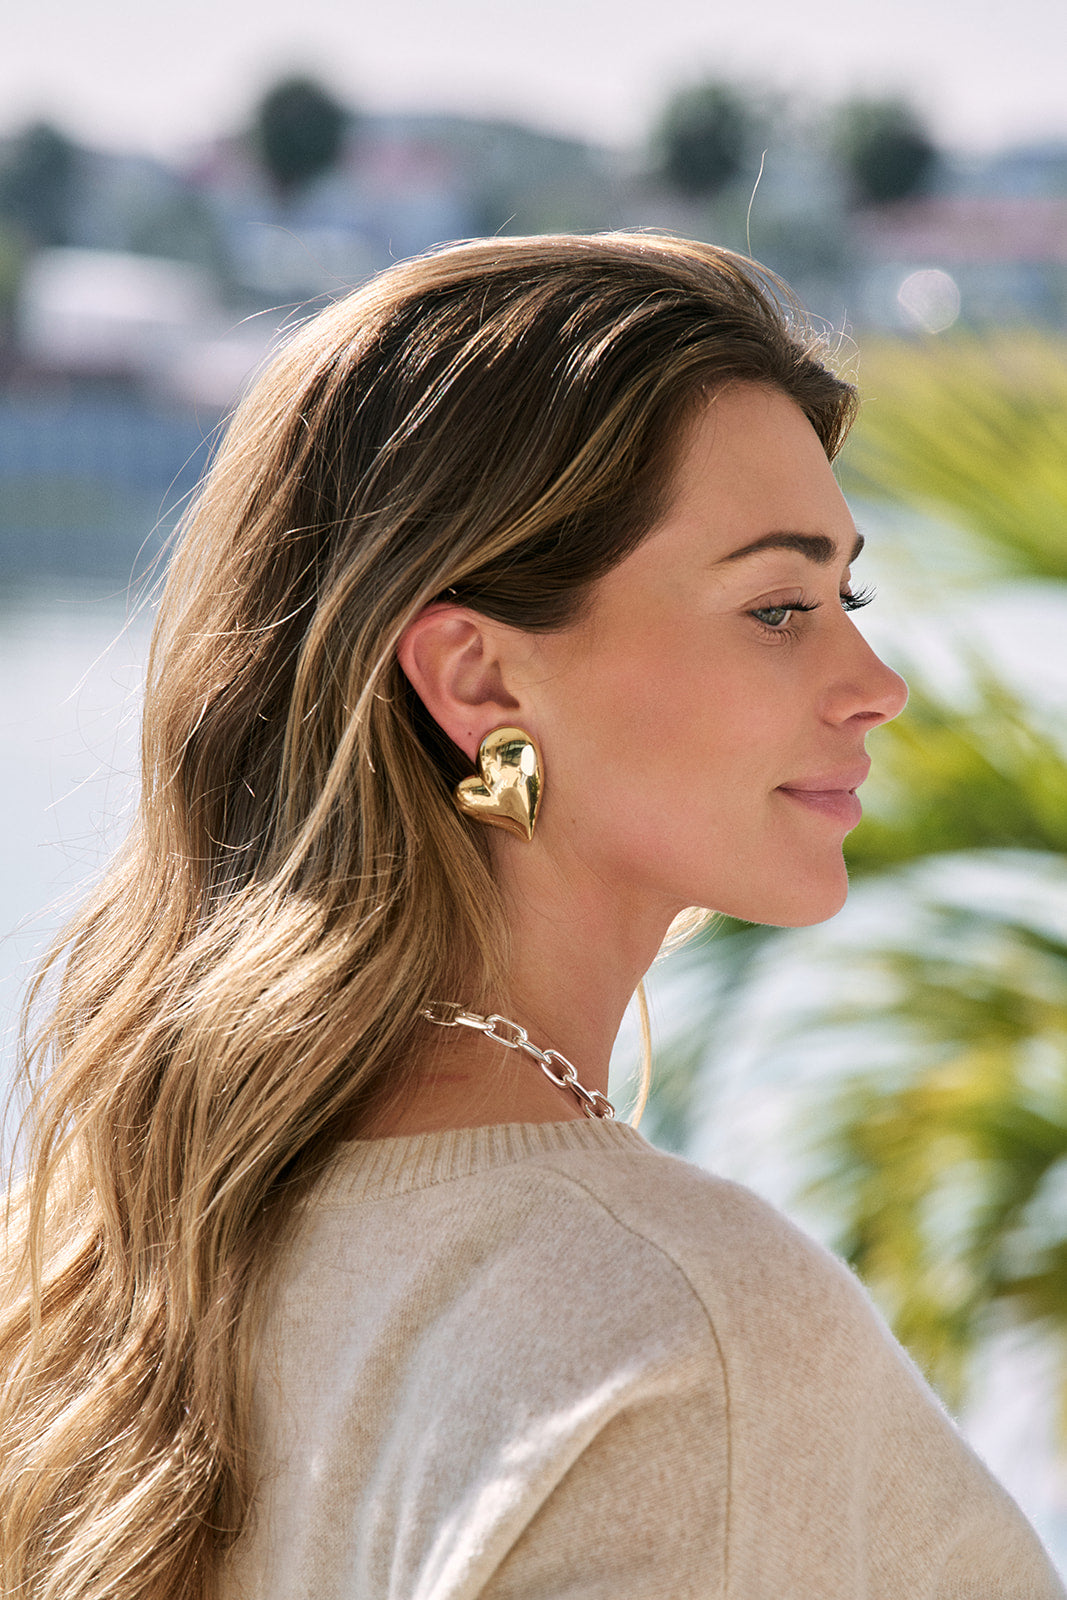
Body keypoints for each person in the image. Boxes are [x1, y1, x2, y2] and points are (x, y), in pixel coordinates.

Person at [0, 233, 1061, 1600]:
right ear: (477, 678)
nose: (876, 682)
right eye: (781, 607)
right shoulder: (684, 1335)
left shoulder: (80, 1272)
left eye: (847, 594)